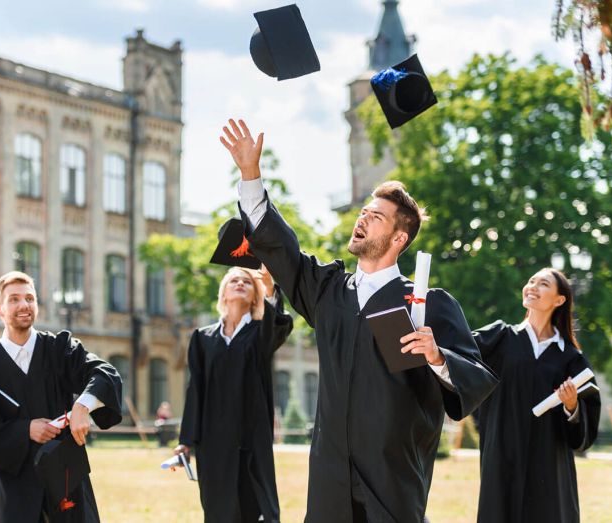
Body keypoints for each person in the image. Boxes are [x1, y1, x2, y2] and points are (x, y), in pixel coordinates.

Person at [220, 119, 498, 522]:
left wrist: (437, 357)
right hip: (331, 477)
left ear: (399, 239)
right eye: (364, 212)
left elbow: (477, 379)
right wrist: (250, 175)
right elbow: (284, 251)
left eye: (377, 216)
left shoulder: (429, 305)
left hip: (392, 477)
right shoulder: (330, 291)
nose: (362, 219)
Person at [0, 271, 122, 523]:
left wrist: (83, 404)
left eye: (30, 298)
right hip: (16, 484)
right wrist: (25, 429)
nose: (24, 305)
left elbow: (105, 373)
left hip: (65, 476)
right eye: (14, 299)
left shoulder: (59, 349)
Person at [473, 268, 601, 522]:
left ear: (559, 300)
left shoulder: (570, 357)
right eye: (530, 281)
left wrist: (571, 405)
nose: (532, 286)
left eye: (543, 284)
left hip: (549, 462)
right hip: (503, 455)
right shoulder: (501, 338)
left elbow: (584, 424)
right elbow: (457, 356)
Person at [175, 265, 293, 523]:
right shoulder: (202, 338)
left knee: (257, 509)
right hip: (213, 443)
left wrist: (271, 289)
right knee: (218, 510)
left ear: (255, 296)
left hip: (251, 440)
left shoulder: (260, 333)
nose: (240, 283)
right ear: (223, 294)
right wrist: (186, 440)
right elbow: (196, 389)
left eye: (247, 282)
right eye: (234, 281)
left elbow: (279, 326)